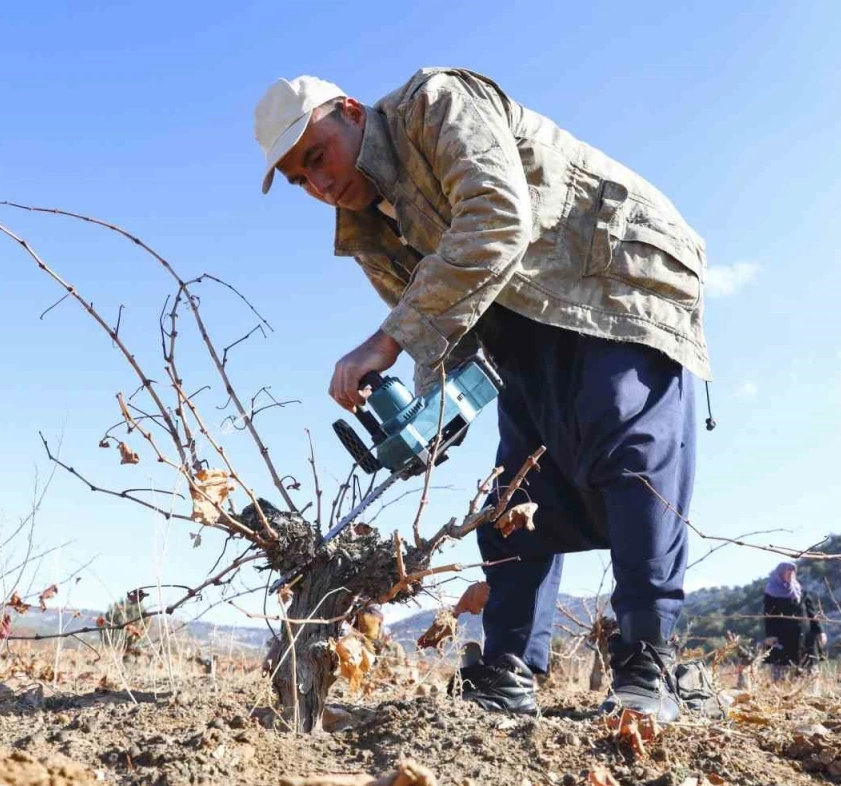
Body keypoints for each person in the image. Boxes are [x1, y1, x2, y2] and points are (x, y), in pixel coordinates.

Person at [254, 68, 713, 721]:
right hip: (520, 321)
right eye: (300, 179)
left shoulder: (434, 104)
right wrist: (431, 415)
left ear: (351, 112)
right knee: (515, 493)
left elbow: (497, 216)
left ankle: (648, 662)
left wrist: (384, 342)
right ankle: (508, 668)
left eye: (317, 156)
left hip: (613, 276)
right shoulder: (366, 230)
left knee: (627, 450)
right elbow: (443, 331)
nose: (319, 184)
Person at [762, 562, 825, 675]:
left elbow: (812, 612)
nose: (791, 573)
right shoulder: (771, 592)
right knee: (783, 672)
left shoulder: (800, 591)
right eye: (788, 571)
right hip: (783, 639)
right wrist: (770, 635)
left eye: (793, 571)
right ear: (780, 573)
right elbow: (769, 615)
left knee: (809, 671)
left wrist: (820, 631)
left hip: (806, 637)